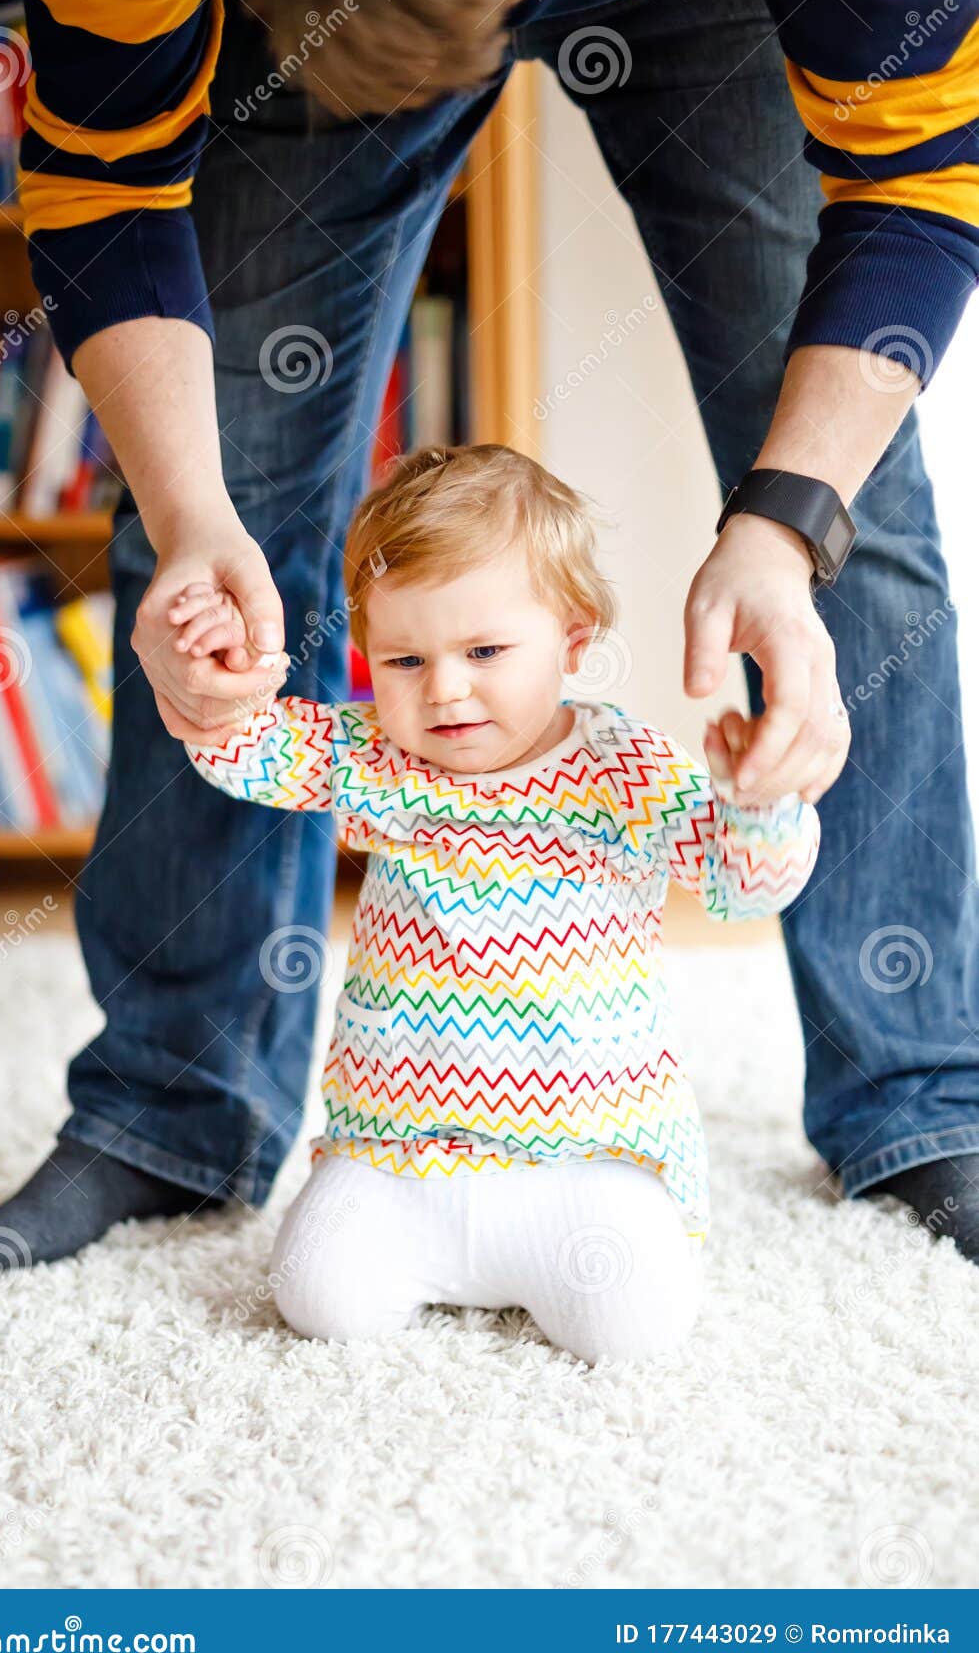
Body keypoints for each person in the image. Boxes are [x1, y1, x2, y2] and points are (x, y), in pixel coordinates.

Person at [0, 0, 979, 1274]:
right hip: (329, 37)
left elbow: (916, 177)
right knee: (213, 520)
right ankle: (173, 1107)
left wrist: (780, 533)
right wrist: (192, 516)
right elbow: (106, 187)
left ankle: (924, 1091)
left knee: (851, 520)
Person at [181, 442, 821, 1361]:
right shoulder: (376, 756)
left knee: (633, 1325)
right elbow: (241, 749)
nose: (443, 689)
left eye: (484, 650)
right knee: (316, 1296)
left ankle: (586, 1246)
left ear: (572, 640)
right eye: (403, 659)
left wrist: (757, 803)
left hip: (587, 1156)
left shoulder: (621, 769)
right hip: (400, 1150)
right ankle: (410, 1243)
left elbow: (742, 886)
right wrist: (217, 670)